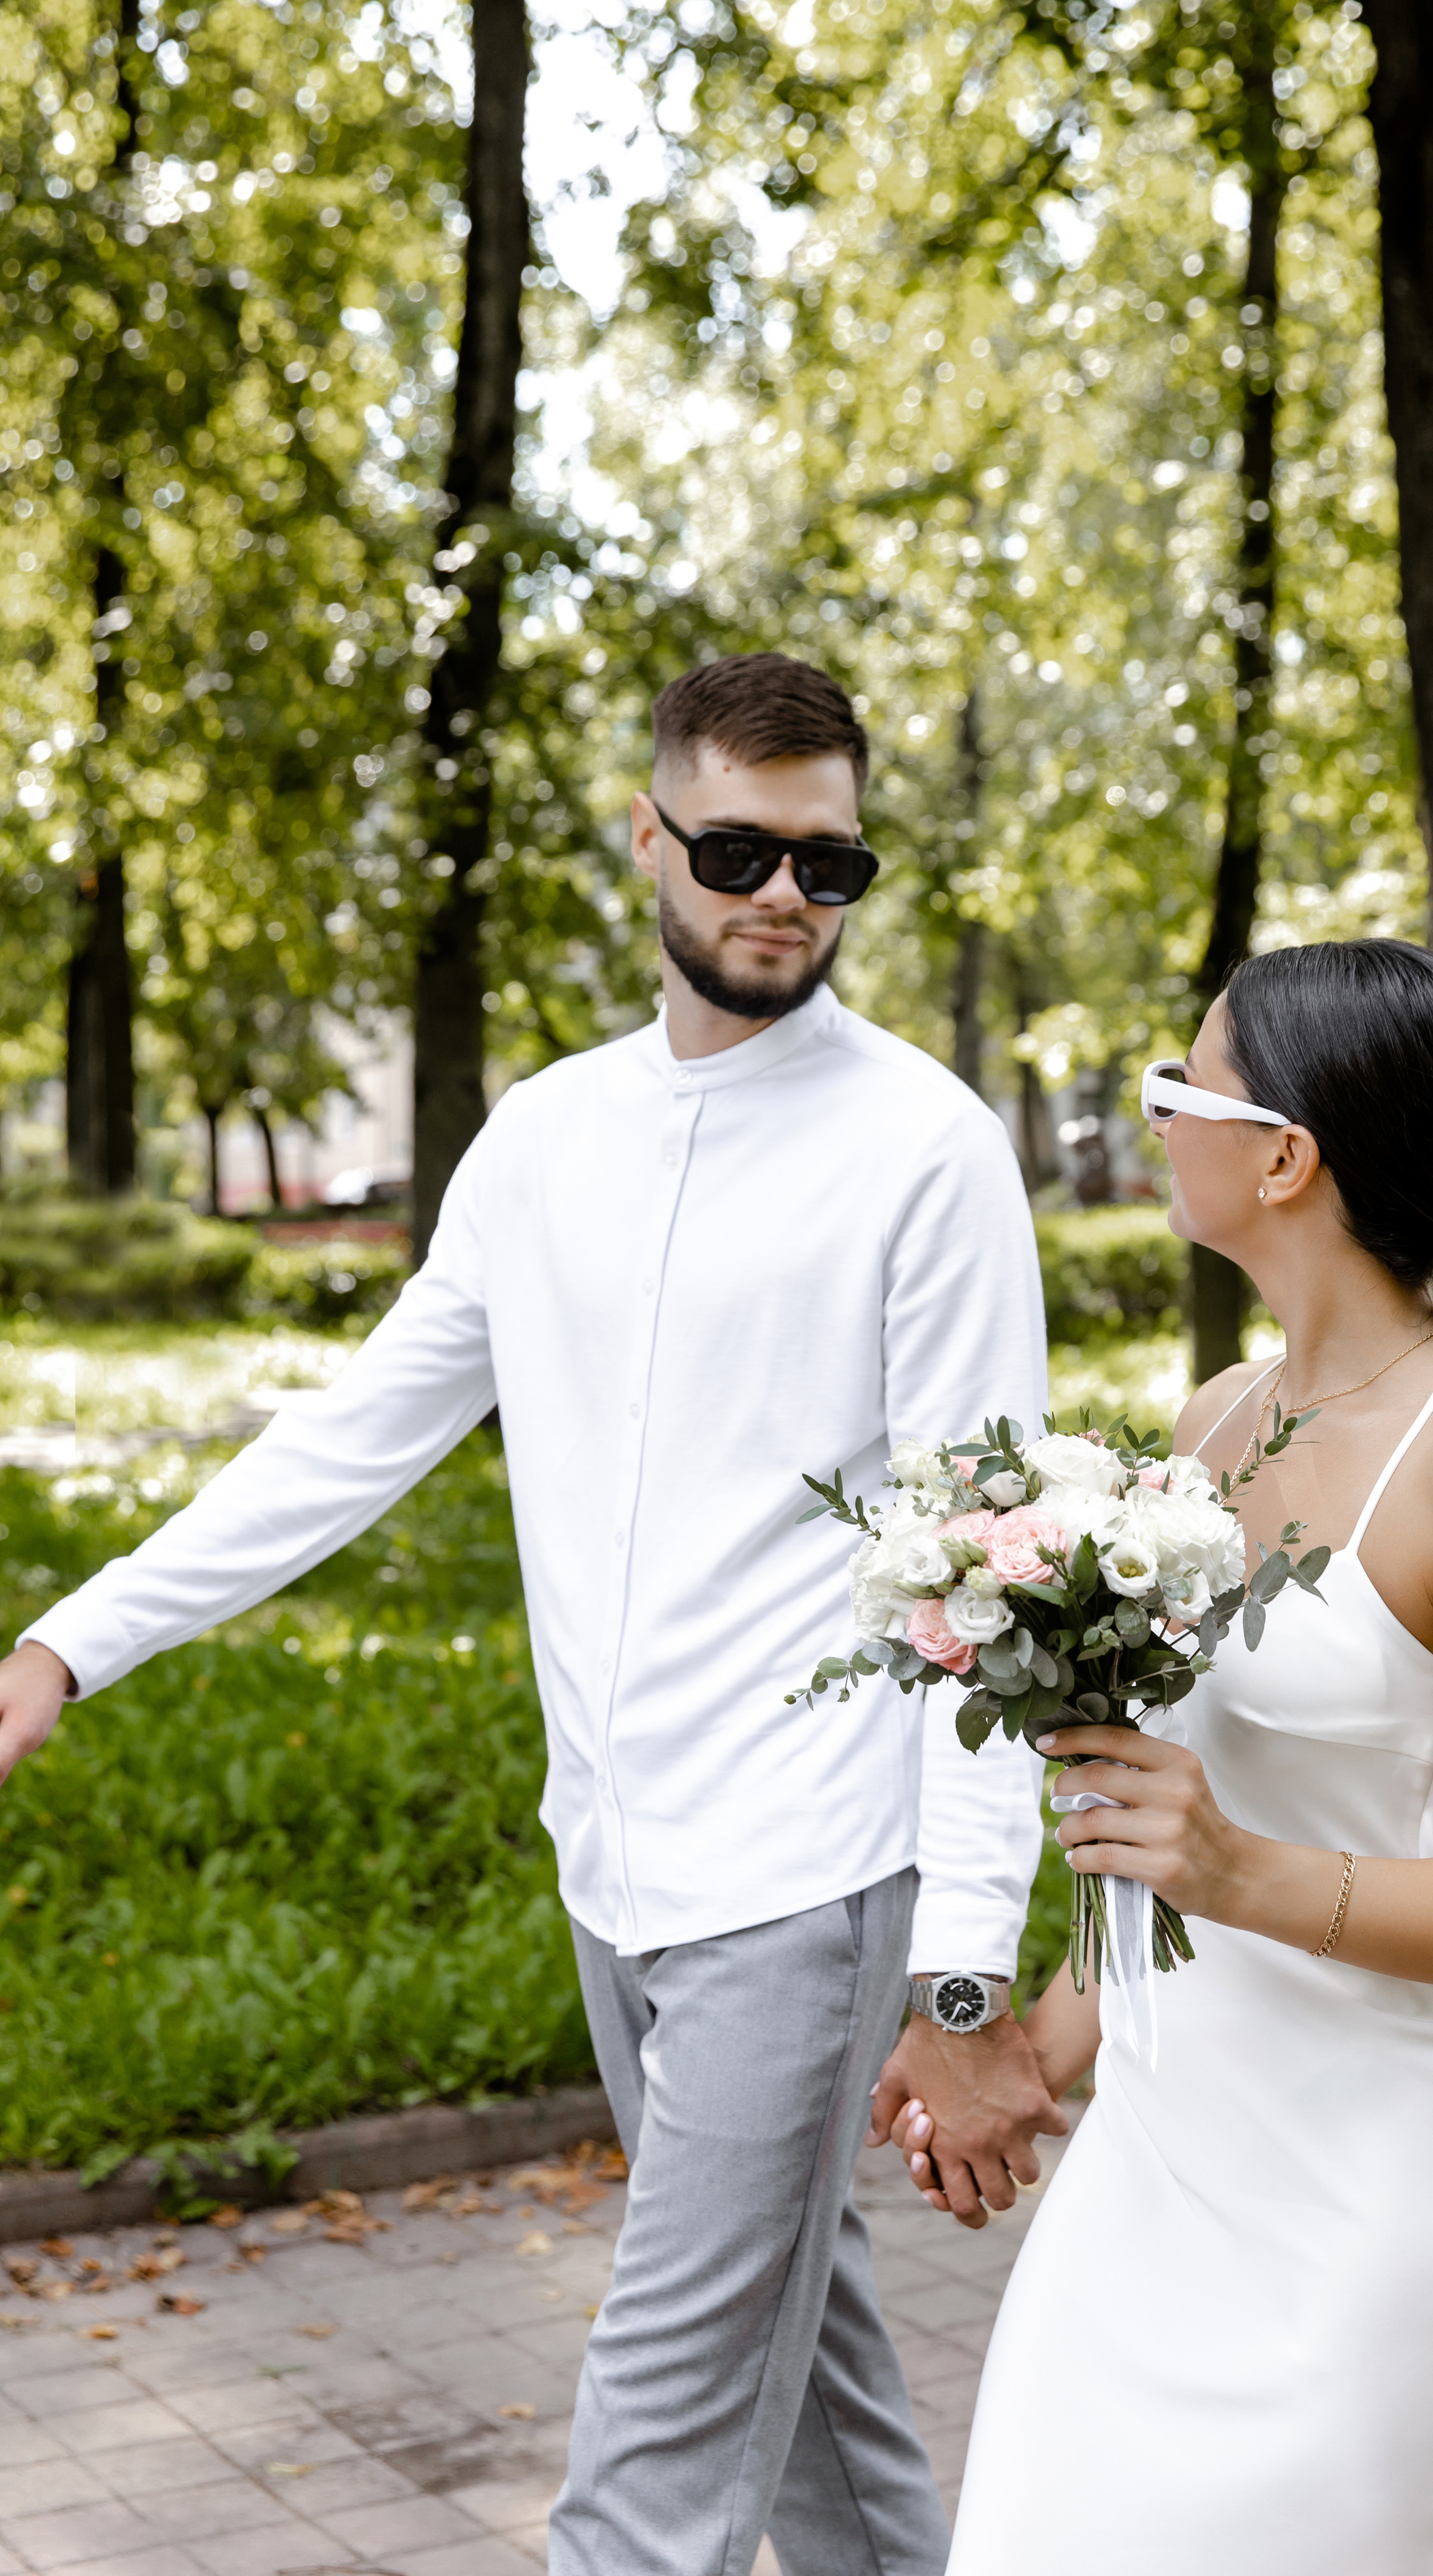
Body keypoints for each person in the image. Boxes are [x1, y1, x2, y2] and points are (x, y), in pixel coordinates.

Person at [0, 651, 1065, 2576]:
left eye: (829, 865)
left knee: (645, 2477)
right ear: (647, 838)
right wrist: (71, 1641)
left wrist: (965, 1980)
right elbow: (353, 1440)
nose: (783, 897)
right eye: (738, 851)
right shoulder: (545, 1136)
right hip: (612, 1871)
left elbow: (979, 1564)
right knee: (813, 2414)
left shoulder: (928, 1149)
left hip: (805, 1884)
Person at [898, 938, 1433, 2576]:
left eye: (1178, 1086)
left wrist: (1240, 1874)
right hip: (1151, 2190)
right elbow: (1162, 1836)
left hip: (1376, 2226)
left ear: (1282, 1160)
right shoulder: (1215, 1419)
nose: (1153, 1116)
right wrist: (1024, 2061)